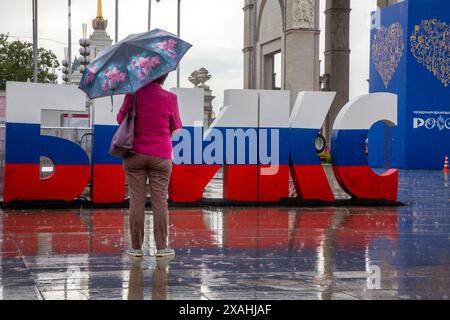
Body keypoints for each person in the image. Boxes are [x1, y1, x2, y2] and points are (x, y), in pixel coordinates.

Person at [117, 73, 182, 258]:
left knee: (136, 200)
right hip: (160, 156)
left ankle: (136, 248)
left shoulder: (133, 94)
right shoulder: (170, 98)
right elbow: (175, 127)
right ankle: (162, 248)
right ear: (164, 76)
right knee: (160, 201)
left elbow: (120, 119)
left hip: (134, 154)